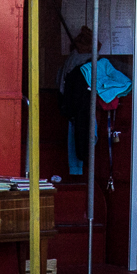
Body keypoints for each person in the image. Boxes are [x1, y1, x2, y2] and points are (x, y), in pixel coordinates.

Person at [58, 25, 93, 176]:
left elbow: (60, 85)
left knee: (74, 139)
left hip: (72, 106)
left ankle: (76, 169)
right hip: (84, 106)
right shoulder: (89, 61)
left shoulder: (70, 60)